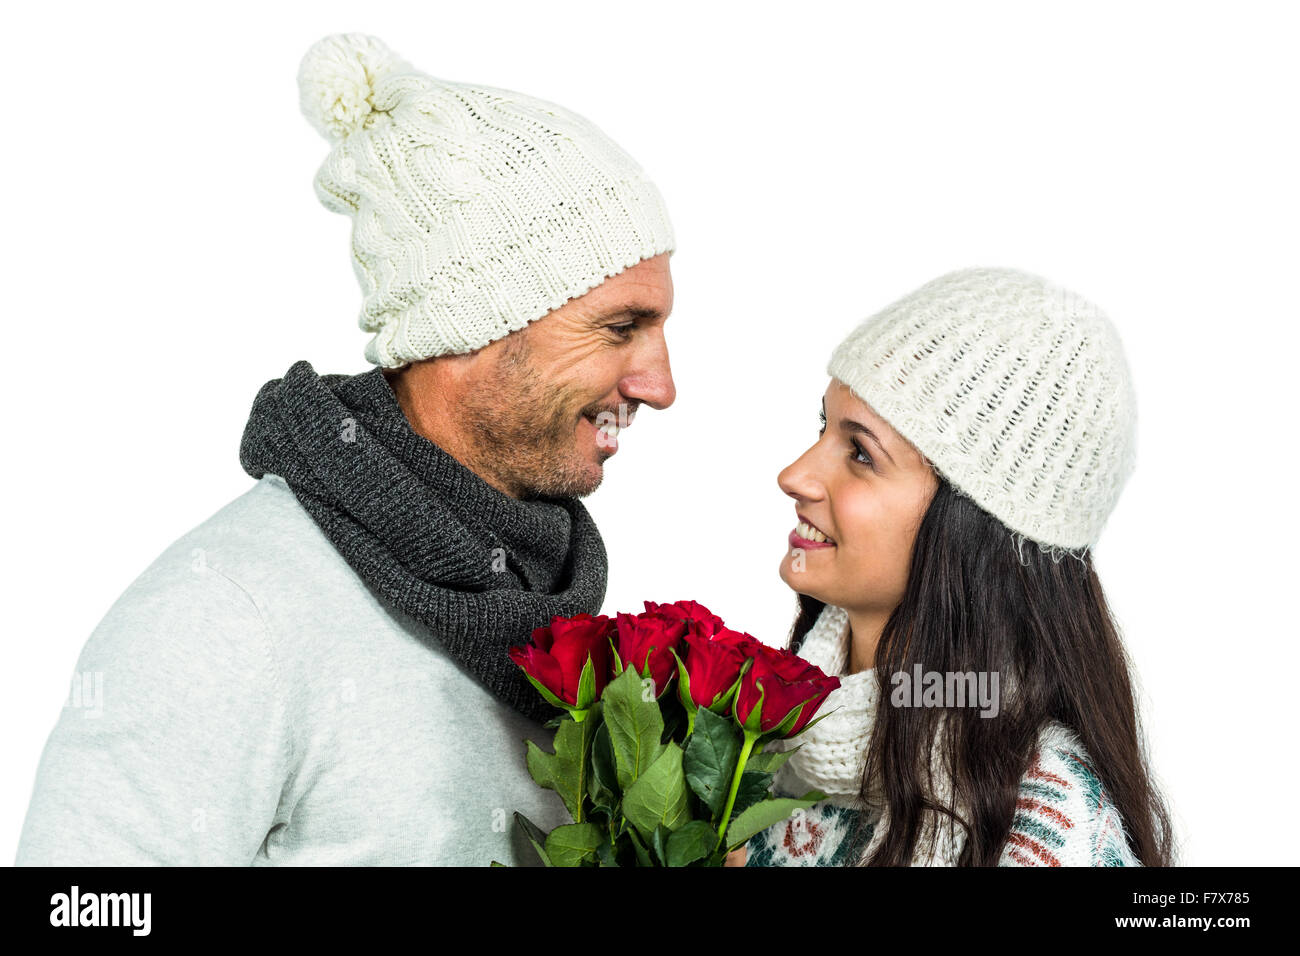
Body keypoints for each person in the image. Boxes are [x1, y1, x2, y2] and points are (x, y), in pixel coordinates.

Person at [14, 32, 676, 866]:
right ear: (469, 325)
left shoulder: (554, 613)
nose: (659, 384)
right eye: (621, 328)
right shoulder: (228, 614)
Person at [732, 267, 1174, 866]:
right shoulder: (758, 741)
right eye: (823, 427)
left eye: (861, 452)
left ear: (973, 529)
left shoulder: (1046, 828)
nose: (796, 475)